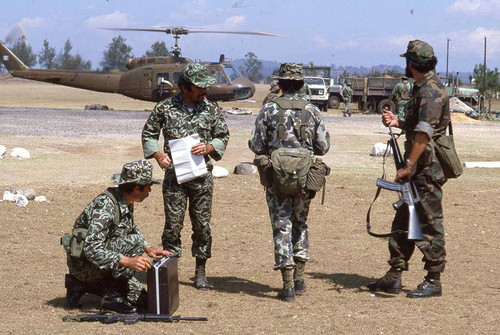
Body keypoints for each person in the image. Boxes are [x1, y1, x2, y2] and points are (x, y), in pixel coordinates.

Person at [367, 40, 449, 298]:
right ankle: (394, 275)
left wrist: (409, 165)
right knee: (404, 219)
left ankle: (433, 280)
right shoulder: (422, 87)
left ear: (411, 63)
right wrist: (398, 122)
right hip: (417, 168)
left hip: (424, 169)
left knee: (428, 222)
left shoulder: (431, 90)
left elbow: (425, 133)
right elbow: (419, 125)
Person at [142, 63, 230, 290]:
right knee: (172, 226)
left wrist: (210, 148)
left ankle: (200, 272)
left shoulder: (211, 109)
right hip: (174, 179)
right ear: (185, 88)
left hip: (201, 179)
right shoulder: (165, 108)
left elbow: (223, 135)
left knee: (201, 226)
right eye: (199, 87)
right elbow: (149, 133)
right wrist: (158, 155)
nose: (204, 91)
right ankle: (170, 271)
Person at [249, 63, 330, 302]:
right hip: (305, 179)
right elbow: (323, 147)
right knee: (300, 223)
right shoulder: (313, 110)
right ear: (302, 84)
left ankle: (287, 285)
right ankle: (300, 279)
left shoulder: (268, 109)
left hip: (277, 178)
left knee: (281, 225)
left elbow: (256, 145)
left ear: (281, 84)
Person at [65, 160, 171, 313]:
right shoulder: (106, 207)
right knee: (134, 243)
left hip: (103, 262)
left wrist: (148, 248)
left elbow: (130, 228)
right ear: (137, 188)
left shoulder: (125, 200)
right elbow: (91, 248)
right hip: (85, 265)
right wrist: (127, 260)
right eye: (148, 186)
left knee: (142, 300)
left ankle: (81, 285)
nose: (149, 190)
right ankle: (111, 298)